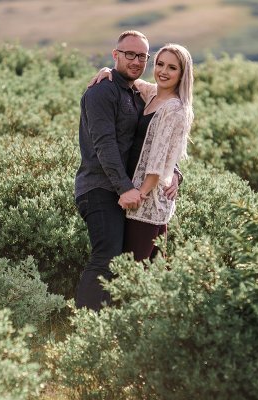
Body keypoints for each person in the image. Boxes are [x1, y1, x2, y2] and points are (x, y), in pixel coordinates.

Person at [74, 30, 180, 311]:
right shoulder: (101, 91)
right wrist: (125, 188)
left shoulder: (138, 93)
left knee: (132, 261)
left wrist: (176, 173)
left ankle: (116, 323)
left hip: (128, 192)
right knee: (106, 256)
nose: (135, 61)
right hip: (100, 188)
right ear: (115, 55)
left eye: (142, 56)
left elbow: (157, 139)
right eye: (129, 54)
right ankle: (84, 325)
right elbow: (104, 145)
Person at [92, 44, 194, 261]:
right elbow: (134, 81)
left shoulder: (174, 109)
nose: (163, 71)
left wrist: (139, 195)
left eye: (172, 68)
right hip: (141, 195)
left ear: (182, 74)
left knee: (134, 270)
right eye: (159, 64)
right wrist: (109, 70)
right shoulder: (153, 94)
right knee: (153, 271)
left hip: (147, 201)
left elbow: (157, 161)